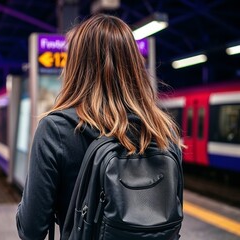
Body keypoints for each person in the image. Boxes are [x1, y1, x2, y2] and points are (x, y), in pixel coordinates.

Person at [16, 14, 183, 240]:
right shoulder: (162, 129)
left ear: (76, 66)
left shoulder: (56, 129)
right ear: (134, 65)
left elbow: (31, 229)